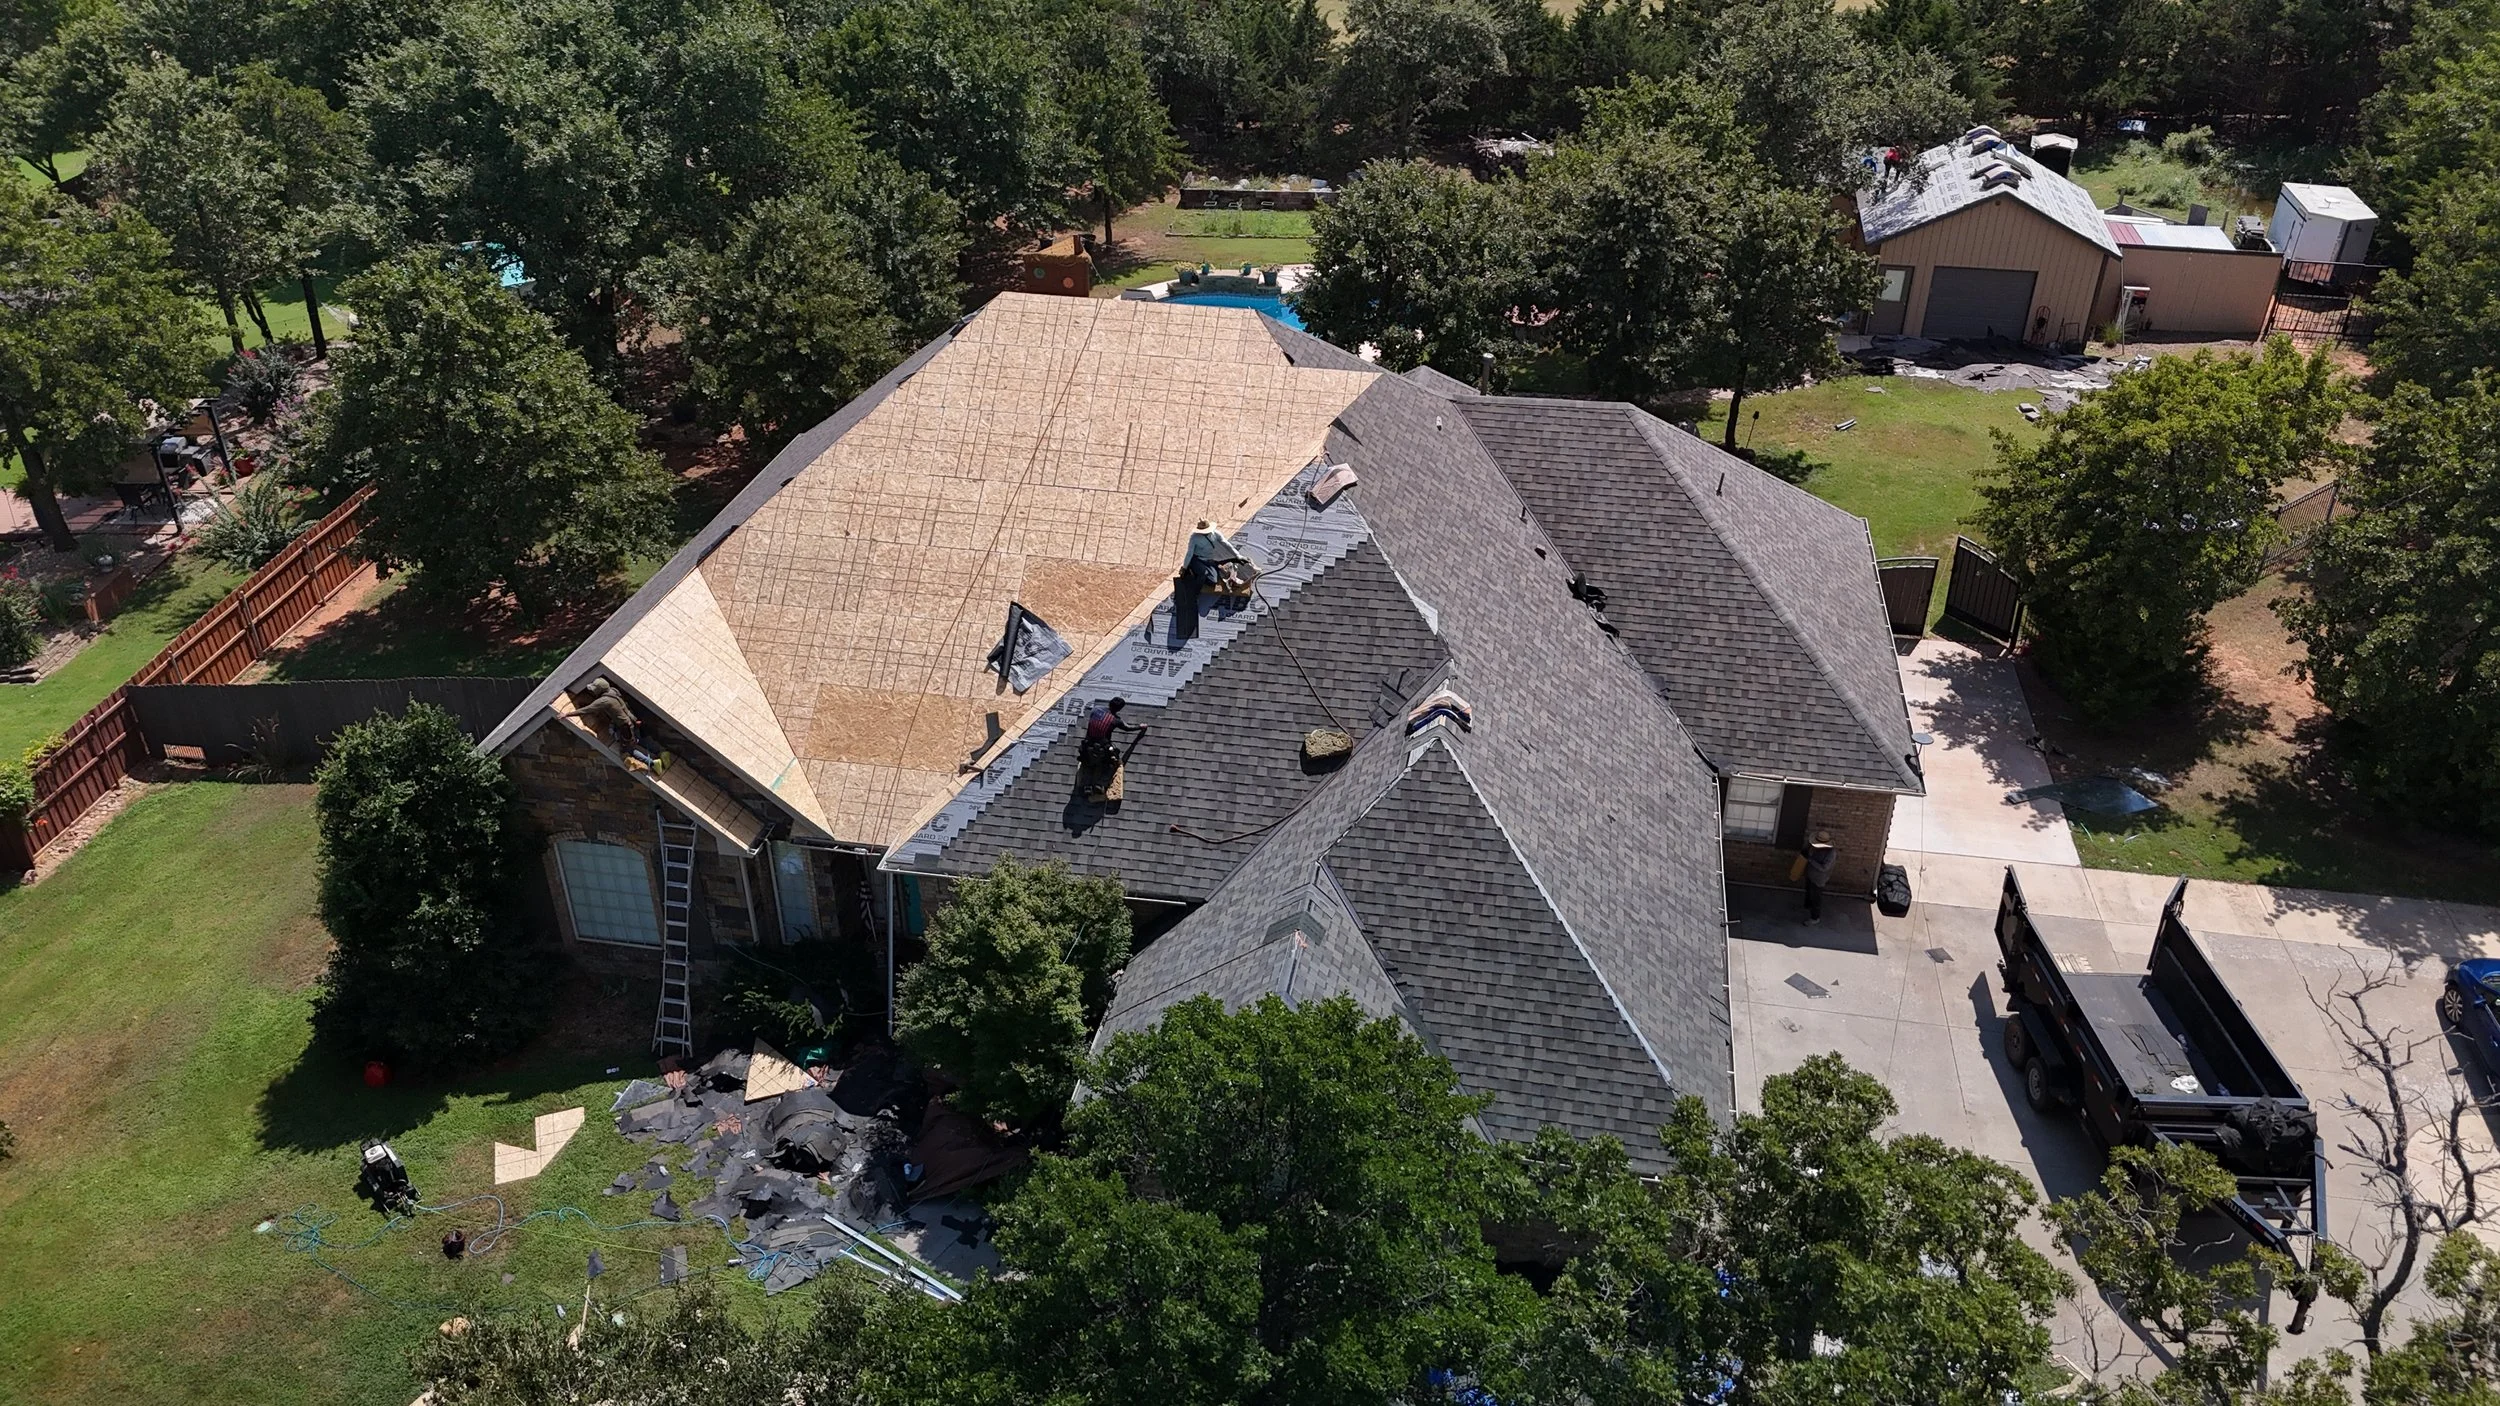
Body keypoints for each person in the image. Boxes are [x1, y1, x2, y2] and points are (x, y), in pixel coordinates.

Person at [1081, 697, 1145, 766]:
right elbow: (1127, 728)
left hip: (1088, 741)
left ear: (1109, 703)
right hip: (1103, 745)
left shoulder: (1096, 709)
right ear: (1119, 709)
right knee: (1114, 755)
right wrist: (1140, 726)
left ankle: (1083, 757)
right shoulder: (1115, 720)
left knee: (1083, 751)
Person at [1801, 830, 1838, 924]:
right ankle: (1808, 907)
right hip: (1810, 875)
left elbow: (1824, 868)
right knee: (1809, 892)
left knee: (1816, 898)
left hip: (1819, 879)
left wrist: (1810, 860)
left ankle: (1815, 918)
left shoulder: (1831, 853)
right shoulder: (1814, 848)